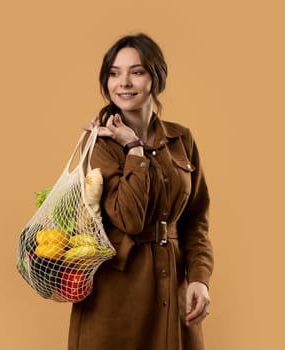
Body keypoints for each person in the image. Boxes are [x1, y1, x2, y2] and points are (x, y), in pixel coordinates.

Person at [69, 33, 214, 350]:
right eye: (114, 73)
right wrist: (134, 150)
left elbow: (196, 219)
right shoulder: (98, 144)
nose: (123, 83)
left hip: (171, 290)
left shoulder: (181, 139)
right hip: (117, 295)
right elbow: (130, 219)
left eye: (136, 71)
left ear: (155, 78)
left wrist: (200, 278)